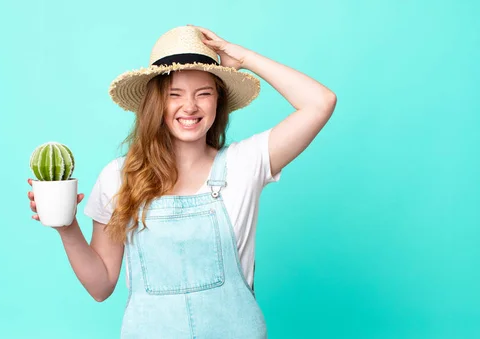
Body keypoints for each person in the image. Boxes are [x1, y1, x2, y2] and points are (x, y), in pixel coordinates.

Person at [27, 25, 336, 338]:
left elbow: (320, 102)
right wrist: (67, 228)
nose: (190, 107)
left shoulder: (245, 164)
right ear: (156, 103)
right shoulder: (119, 177)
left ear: (219, 102)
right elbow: (101, 285)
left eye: (204, 93)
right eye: (174, 94)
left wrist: (243, 57)